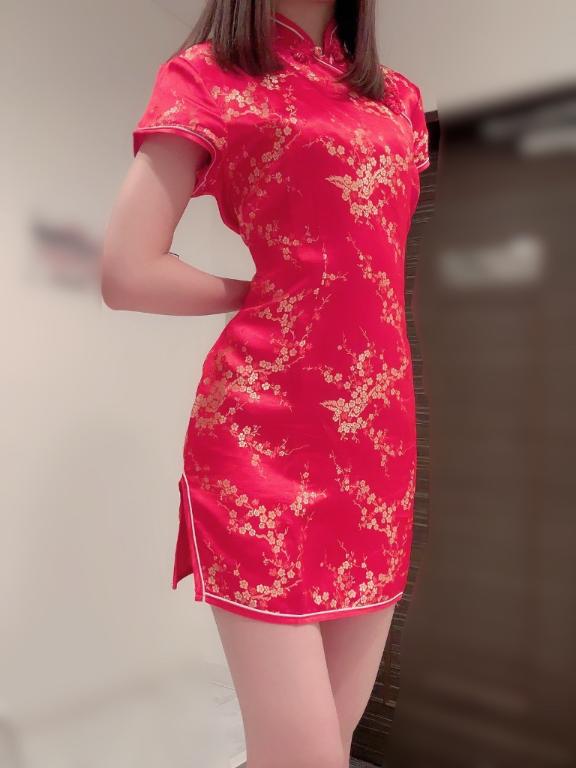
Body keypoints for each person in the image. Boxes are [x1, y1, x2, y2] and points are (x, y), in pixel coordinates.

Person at [101, 1, 430, 766]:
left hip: (378, 446)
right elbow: (127, 271)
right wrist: (262, 291)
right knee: (305, 756)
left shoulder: (398, 100)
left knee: (330, 744)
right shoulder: (208, 78)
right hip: (261, 438)